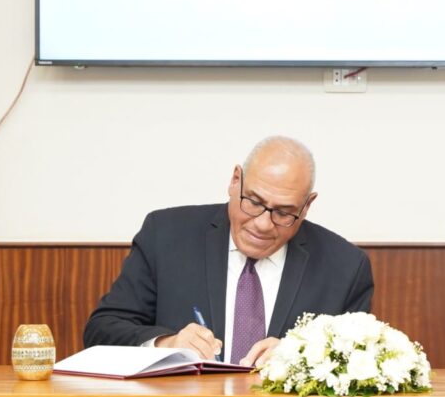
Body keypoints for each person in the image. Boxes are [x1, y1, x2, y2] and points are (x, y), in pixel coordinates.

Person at [84, 136, 374, 367]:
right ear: (235, 180)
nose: (262, 224)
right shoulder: (166, 235)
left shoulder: (345, 267)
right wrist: (165, 344)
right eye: (254, 202)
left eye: (284, 213)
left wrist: (300, 358)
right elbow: (102, 330)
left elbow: (363, 362)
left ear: (307, 205)